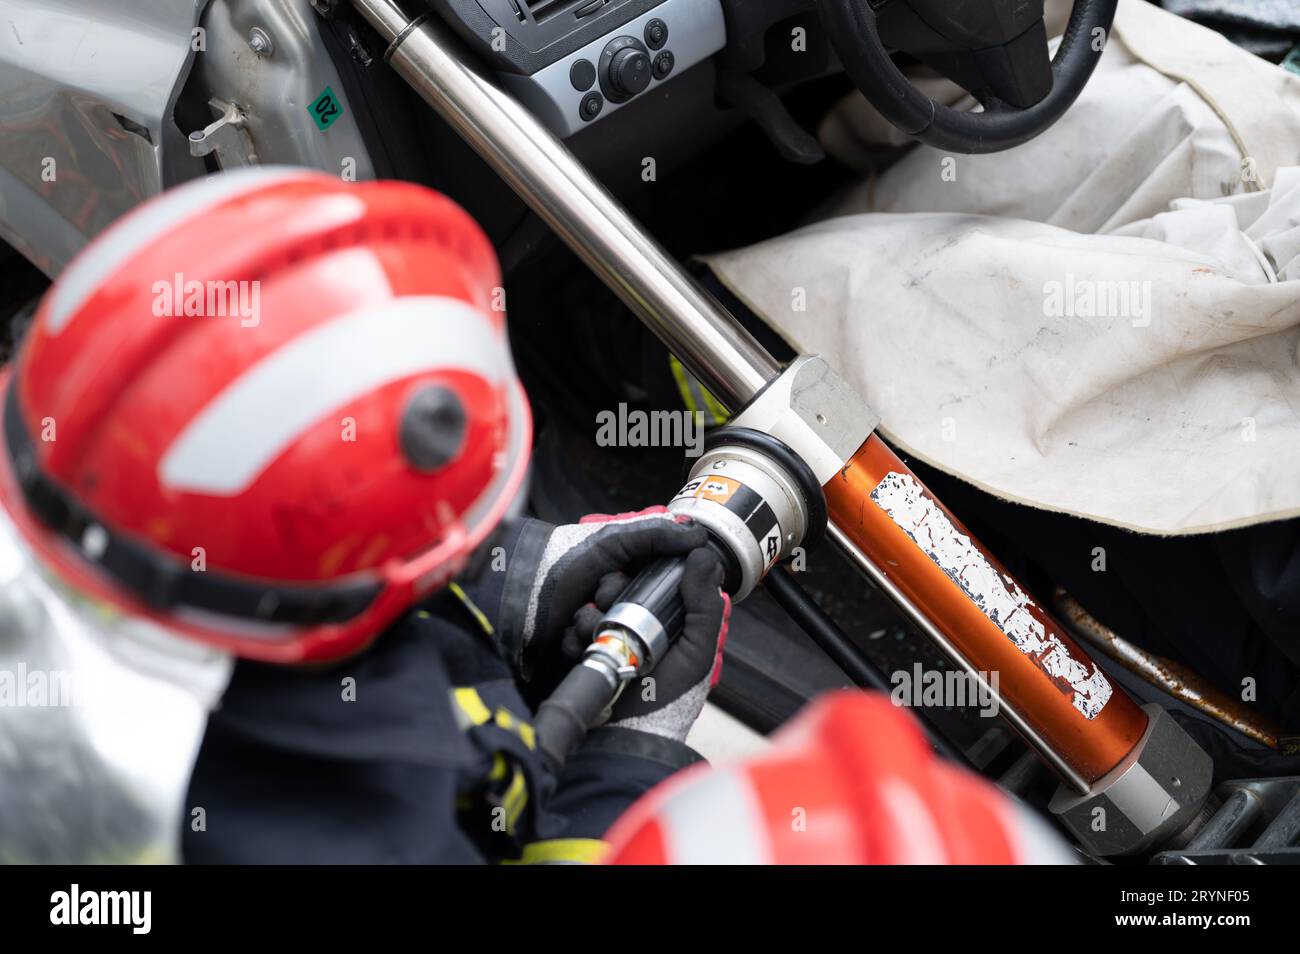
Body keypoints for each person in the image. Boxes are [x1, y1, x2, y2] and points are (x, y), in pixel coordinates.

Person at [0, 168, 728, 864]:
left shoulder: (64, 448)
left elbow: (246, 549)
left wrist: (512, 581)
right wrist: (632, 764)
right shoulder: (359, 828)